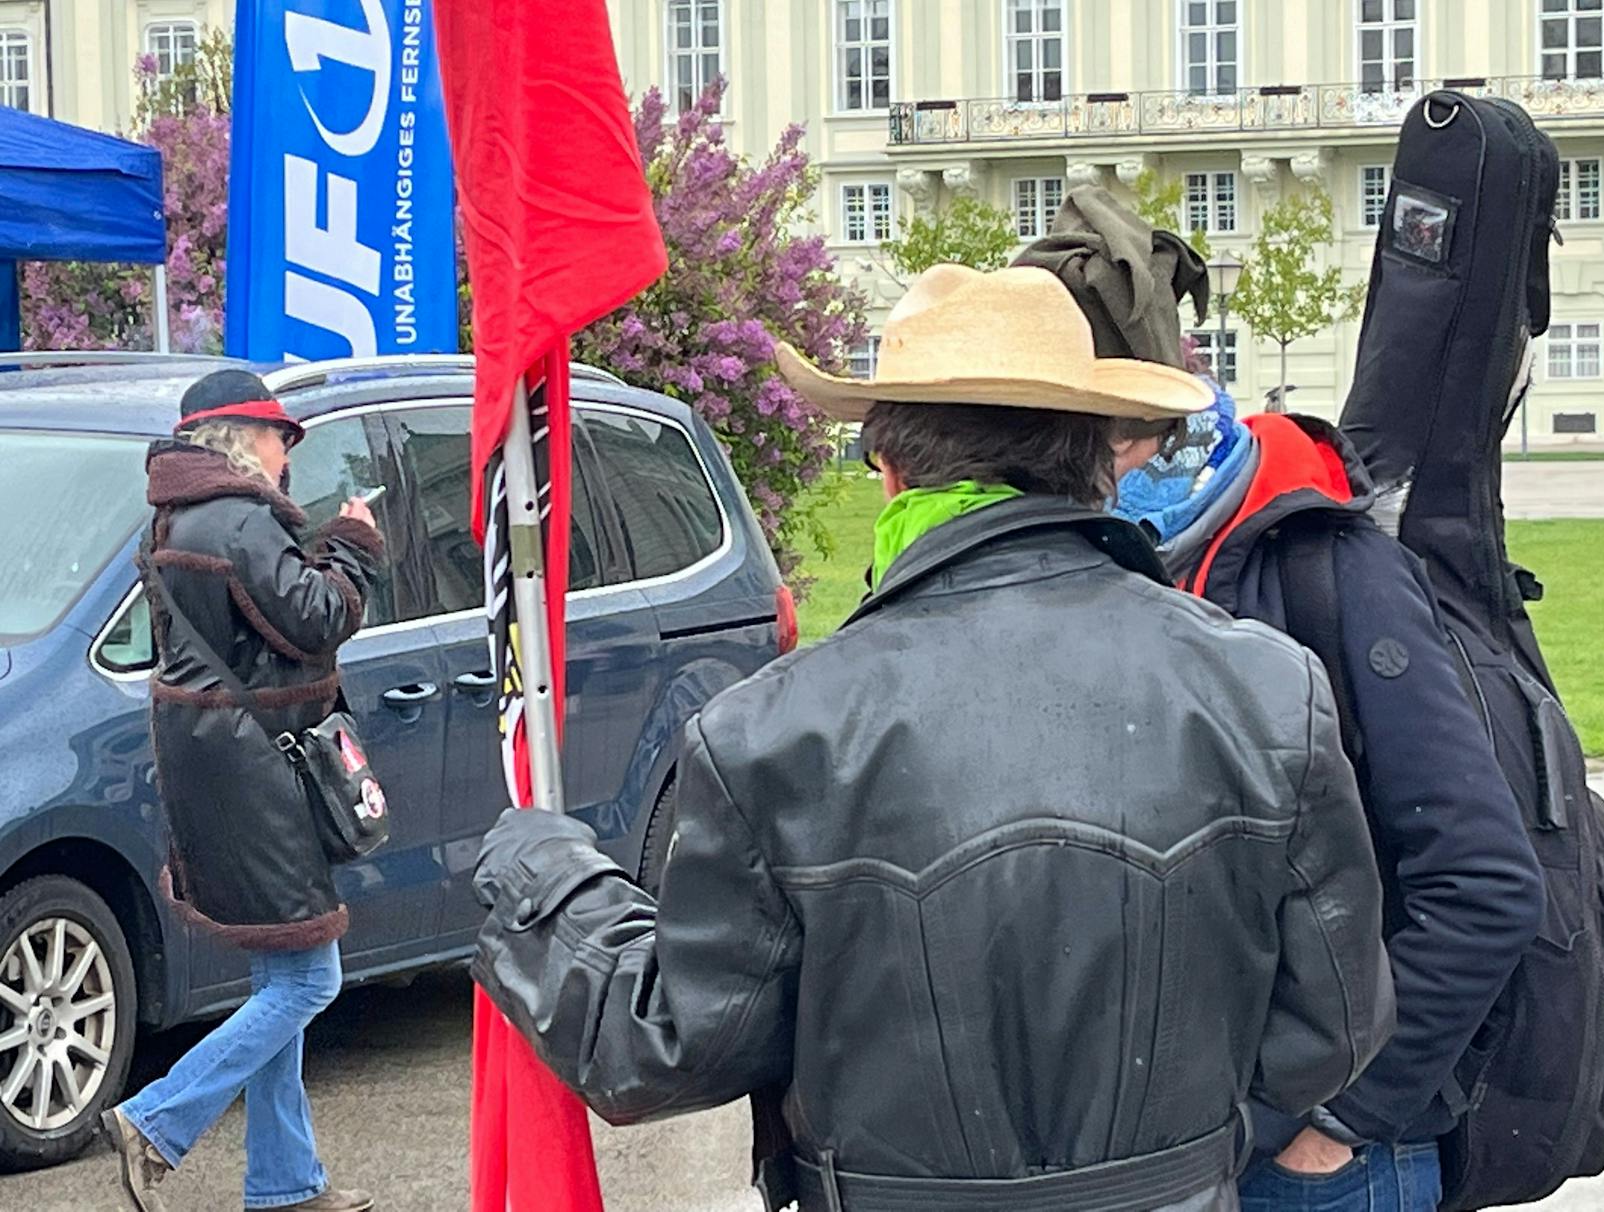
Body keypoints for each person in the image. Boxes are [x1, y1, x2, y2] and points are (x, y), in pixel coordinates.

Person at [471, 264, 1394, 1212]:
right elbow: (1332, 1026)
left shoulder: (775, 731)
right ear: (1096, 461)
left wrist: (543, 879)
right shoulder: (1270, 690)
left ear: (891, 472)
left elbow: (663, 1049)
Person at [1019, 188, 1546, 1212]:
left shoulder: (1328, 569)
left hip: (1314, 1166)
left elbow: (1479, 880)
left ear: (1134, 423)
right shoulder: (1077, 561)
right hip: (1148, 1152)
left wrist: (1337, 1121)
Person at [101, 370, 384, 1212]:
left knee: (279, 977)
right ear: (238, 438)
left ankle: (285, 1182)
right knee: (308, 982)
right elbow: (316, 619)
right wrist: (353, 546)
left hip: (218, 760)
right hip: (259, 768)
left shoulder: (175, 517)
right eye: (279, 436)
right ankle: (155, 1119)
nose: (287, 450)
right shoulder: (240, 519)